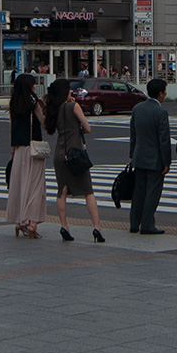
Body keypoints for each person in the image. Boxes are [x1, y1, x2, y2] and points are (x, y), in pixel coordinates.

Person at [48, 78, 104, 242]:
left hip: (59, 153)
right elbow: (88, 128)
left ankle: (64, 226)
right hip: (75, 154)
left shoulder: (54, 109)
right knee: (88, 191)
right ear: (65, 92)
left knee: (62, 190)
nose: (72, 91)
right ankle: (97, 228)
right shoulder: (74, 106)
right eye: (69, 90)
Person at [127, 79, 172, 235]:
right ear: (160, 93)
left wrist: (132, 154)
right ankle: (147, 224)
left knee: (138, 192)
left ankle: (134, 223)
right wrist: (167, 162)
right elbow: (164, 140)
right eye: (165, 91)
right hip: (154, 160)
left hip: (139, 157)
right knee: (152, 193)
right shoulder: (161, 112)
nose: (166, 93)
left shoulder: (137, 109)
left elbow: (133, 135)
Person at [5, 74, 47, 238]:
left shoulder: (14, 103)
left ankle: (19, 221)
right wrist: (44, 109)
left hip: (18, 150)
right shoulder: (33, 103)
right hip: (33, 149)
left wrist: (12, 151)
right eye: (33, 84)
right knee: (36, 187)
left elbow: (13, 128)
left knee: (20, 185)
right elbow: (44, 123)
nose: (35, 86)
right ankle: (32, 222)